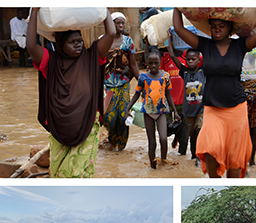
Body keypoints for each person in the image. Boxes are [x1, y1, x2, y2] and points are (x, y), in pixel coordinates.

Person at [171, 8, 256, 178]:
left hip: (236, 109)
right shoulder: (205, 45)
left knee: (235, 161)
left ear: (230, 28)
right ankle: (214, 181)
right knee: (209, 148)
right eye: (214, 26)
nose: (217, 29)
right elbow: (179, 29)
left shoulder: (240, 45)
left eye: (221, 26)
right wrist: (177, 7)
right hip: (212, 108)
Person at [26, 8, 116, 178]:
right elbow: (31, 46)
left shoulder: (91, 57)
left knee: (79, 173)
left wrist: (106, 10)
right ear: (60, 45)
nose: (78, 44)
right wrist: (35, 10)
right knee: (59, 171)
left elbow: (110, 34)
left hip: (87, 122)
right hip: (59, 125)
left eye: (80, 40)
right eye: (72, 42)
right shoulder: (50, 61)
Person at [128, 47, 178, 169]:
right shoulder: (143, 78)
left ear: (160, 62)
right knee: (152, 142)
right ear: (146, 64)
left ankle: (163, 161)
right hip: (148, 113)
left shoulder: (165, 76)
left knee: (163, 139)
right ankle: (152, 165)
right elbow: (136, 94)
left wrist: (175, 111)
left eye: (156, 62)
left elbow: (168, 95)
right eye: (151, 63)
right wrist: (127, 108)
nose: (154, 65)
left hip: (161, 112)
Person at [102, 12, 140, 151]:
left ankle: (121, 148)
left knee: (123, 116)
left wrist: (142, 82)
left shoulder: (128, 41)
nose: (121, 25)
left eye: (122, 23)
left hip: (123, 84)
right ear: (111, 24)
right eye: (118, 23)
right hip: (107, 86)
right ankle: (111, 142)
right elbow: (97, 65)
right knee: (109, 118)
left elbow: (133, 64)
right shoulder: (103, 40)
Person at [166, 39, 205, 163]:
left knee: (200, 131)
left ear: (199, 60)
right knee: (192, 137)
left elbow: (210, 55)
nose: (191, 61)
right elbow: (172, 55)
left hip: (201, 110)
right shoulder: (185, 72)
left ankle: (199, 157)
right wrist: (170, 40)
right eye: (188, 59)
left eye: (193, 59)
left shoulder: (203, 71)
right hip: (188, 112)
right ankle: (194, 156)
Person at [240, 44, 256, 166]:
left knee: (254, 127)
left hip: (255, 86)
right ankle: (242, 160)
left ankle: (252, 160)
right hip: (238, 86)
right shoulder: (232, 41)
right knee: (240, 128)